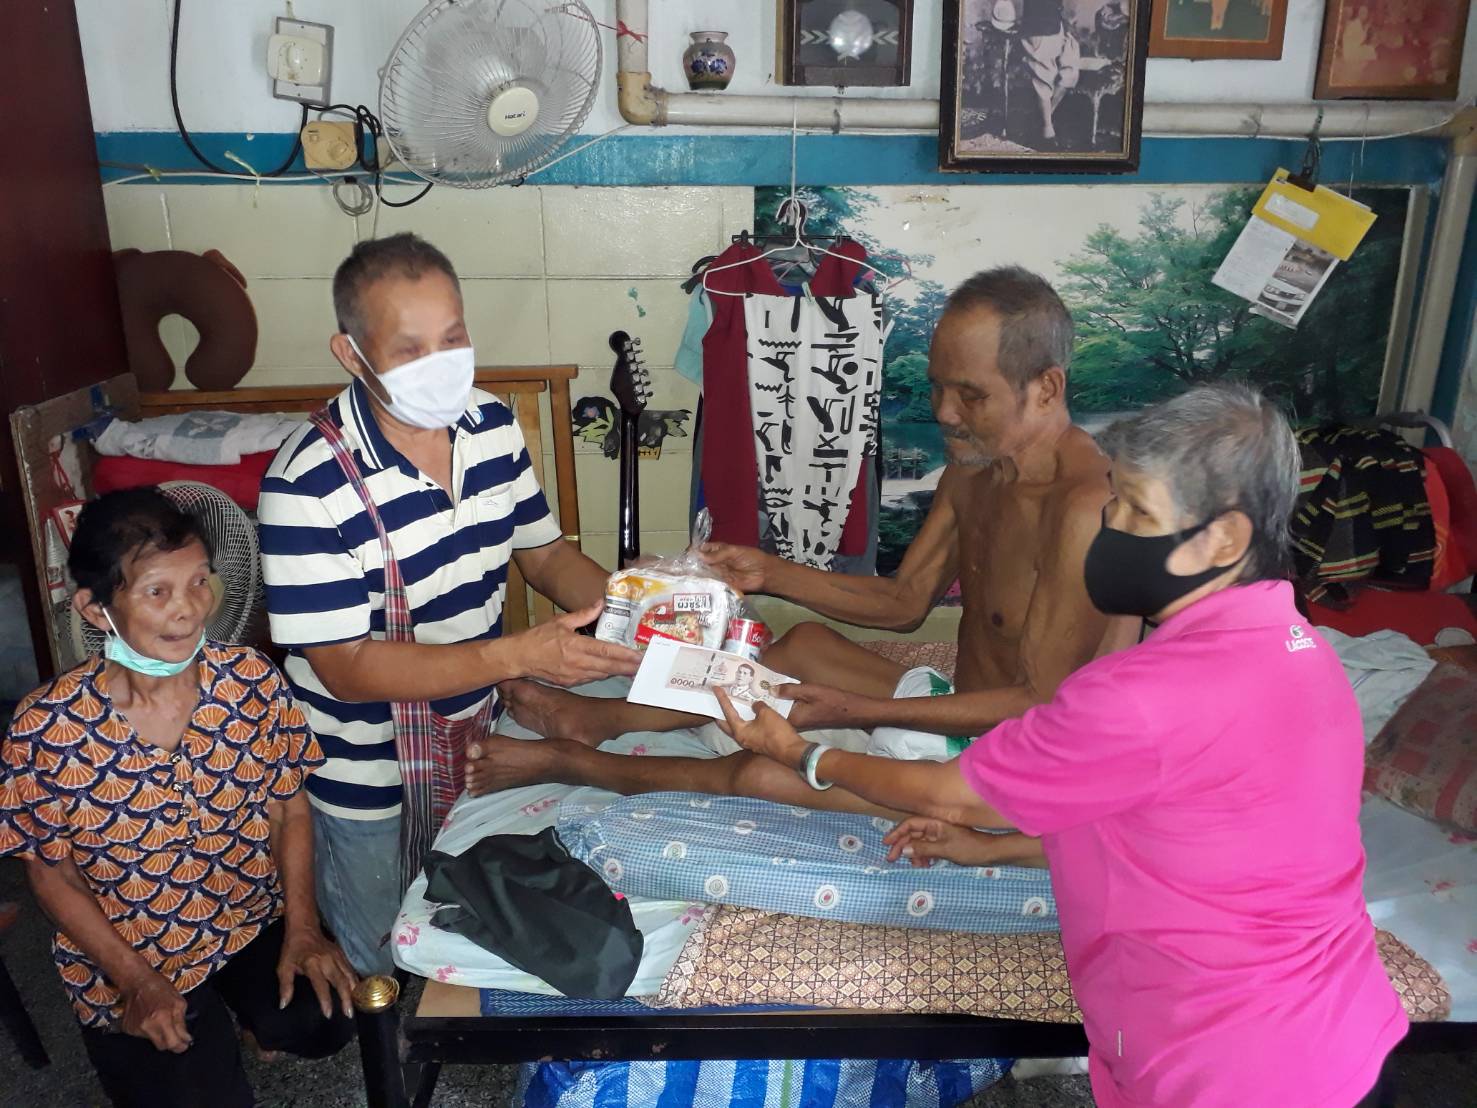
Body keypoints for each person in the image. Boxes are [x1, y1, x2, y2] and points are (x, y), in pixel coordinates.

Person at [714, 385, 1408, 1108]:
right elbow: (1175, 837)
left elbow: (947, 793)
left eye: (1137, 511)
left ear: (1224, 541)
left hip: (1227, 1070)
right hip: (1341, 1037)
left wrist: (802, 754)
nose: (1109, 525)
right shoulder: (1303, 652)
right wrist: (984, 850)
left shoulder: (1143, 696)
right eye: (1115, 500)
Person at [480, 267, 1137, 866]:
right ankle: (604, 719)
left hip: (1021, 762)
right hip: (960, 710)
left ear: (1046, 388)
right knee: (805, 648)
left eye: (970, 394)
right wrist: (768, 573)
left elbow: (1038, 700)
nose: (943, 412)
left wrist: (847, 711)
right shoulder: (974, 473)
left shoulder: (1086, 507)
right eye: (938, 386)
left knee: (763, 773)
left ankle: (577, 763)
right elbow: (905, 602)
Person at [257, 233, 640, 975]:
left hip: (469, 734)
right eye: (410, 350)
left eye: (453, 338)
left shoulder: (491, 425)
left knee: (460, 924)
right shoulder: (306, 484)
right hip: (366, 771)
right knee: (384, 953)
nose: (440, 364)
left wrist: (639, 611)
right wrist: (518, 656)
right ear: (351, 354)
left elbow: (544, 555)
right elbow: (347, 669)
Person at [0, 488, 356, 1108]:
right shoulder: (45, 729)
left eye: (198, 581)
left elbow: (288, 808)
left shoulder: (250, 680)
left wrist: (302, 928)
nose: (189, 610)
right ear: (95, 609)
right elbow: (52, 875)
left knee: (324, 1020)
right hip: (130, 946)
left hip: (246, 916)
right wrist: (135, 980)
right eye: (156, 592)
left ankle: (251, 1019)